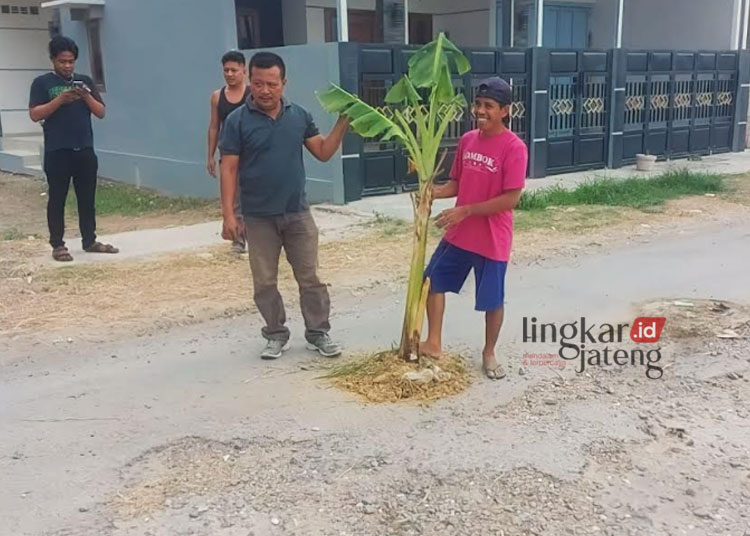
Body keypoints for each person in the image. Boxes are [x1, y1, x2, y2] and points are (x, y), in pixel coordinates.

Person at [218, 52, 349, 360]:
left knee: (310, 278)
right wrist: (228, 215)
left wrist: (344, 121)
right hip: (258, 216)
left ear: (284, 83)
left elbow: (323, 151)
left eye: (272, 84)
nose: (265, 90)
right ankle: (275, 334)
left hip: (297, 213)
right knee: (264, 282)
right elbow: (229, 168)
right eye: (259, 83)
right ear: (250, 82)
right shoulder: (237, 121)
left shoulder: (299, 116)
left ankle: (318, 332)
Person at [420, 77, 528, 380]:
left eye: (489, 106)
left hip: (492, 237)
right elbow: (457, 183)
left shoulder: (514, 148)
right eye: (478, 105)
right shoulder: (467, 140)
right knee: (432, 281)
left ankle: (489, 352)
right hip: (460, 232)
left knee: (492, 300)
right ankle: (434, 342)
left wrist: (466, 210)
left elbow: (511, 198)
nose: (481, 111)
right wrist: (433, 191)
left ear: (505, 110)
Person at [29, 35, 117, 262]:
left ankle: (89, 240)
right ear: (53, 60)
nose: (67, 66)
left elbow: (100, 112)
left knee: (87, 198)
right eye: (62, 61)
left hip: (84, 149)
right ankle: (58, 244)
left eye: (71, 61)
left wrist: (85, 94)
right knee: (57, 198)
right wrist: (60, 100)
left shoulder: (84, 81)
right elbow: (35, 114)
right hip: (57, 151)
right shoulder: (42, 83)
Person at [207, 50, 251, 253]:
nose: (230, 74)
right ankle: (238, 239)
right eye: (226, 70)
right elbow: (214, 126)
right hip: (229, 154)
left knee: (253, 195)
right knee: (233, 198)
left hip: (253, 153)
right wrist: (210, 155)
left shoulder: (253, 94)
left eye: (234, 70)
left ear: (244, 69)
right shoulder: (217, 97)